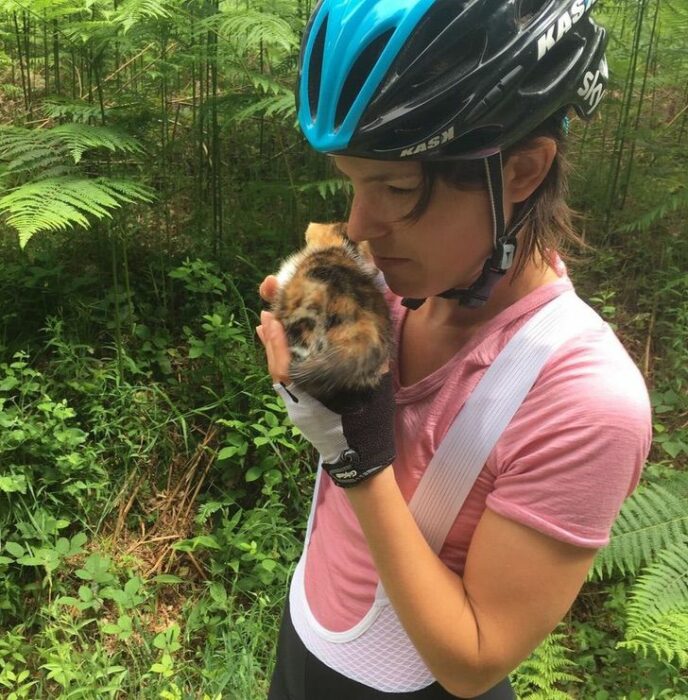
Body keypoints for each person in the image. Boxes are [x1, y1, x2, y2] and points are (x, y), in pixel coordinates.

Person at [256, 1, 652, 698]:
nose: (359, 223)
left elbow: (474, 659)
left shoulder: (584, 398)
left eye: (398, 189)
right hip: (306, 638)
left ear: (523, 171)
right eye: (353, 182)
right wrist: (316, 347)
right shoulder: (389, 289)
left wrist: (355, 454)